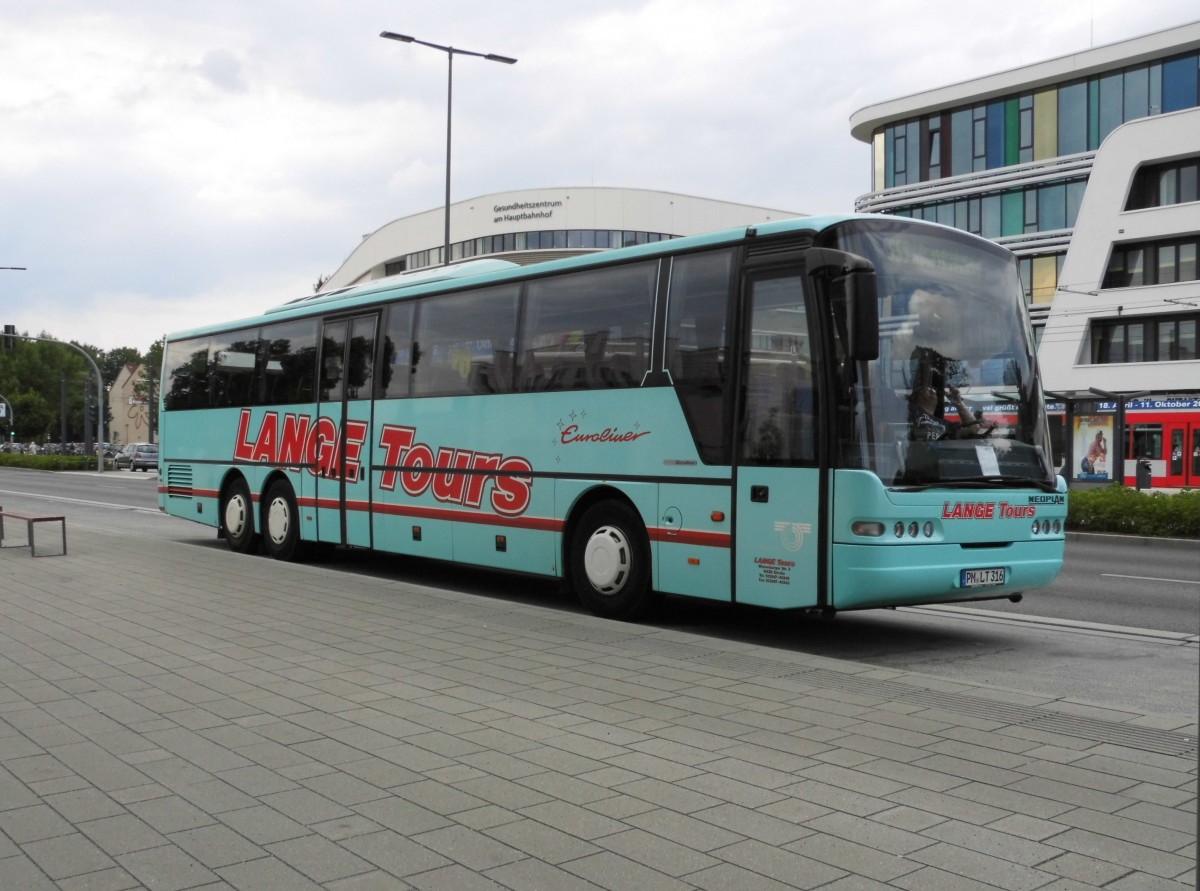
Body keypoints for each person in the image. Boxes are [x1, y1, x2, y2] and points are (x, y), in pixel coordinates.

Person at [909, 384, 993, 441]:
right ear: (916, 398)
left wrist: (958, 402)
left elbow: (973, 428)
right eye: (925, 389)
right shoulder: (911, 413)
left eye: (933, 390)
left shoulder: (945, 424)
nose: (931, 391)